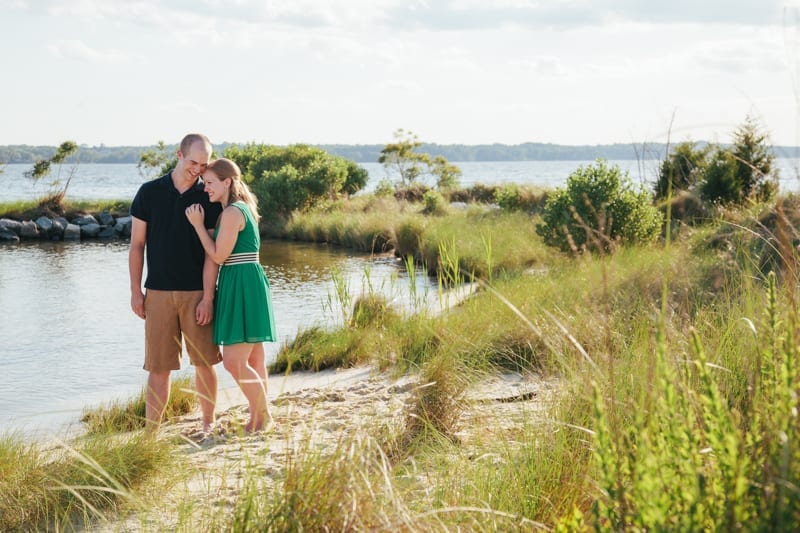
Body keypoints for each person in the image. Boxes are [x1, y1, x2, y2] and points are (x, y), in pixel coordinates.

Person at [129, 133, 224, 433]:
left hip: (197, 293)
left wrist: (208, 297)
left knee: (205, 363)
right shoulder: (149, 192)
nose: (198, 169)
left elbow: (212, 253)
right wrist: (135, 292)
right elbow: (136, 246)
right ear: (178, 155)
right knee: (159, 369)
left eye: (204, 164)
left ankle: (208, 424)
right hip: (157, 293)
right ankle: (151, 435)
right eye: (193, 161)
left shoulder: (208, 195)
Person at [185, 157, 277, 433]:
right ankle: (258, 417)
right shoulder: (243, 208)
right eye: (204, 183)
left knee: (234, 362)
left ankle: (263, 417)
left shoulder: (233, 213)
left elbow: (218, 255)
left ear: (227, 182)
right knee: (254, 359)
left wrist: (199, 226)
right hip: (247, 280)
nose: (205, 188)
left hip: (242, 282)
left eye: (210, 183)